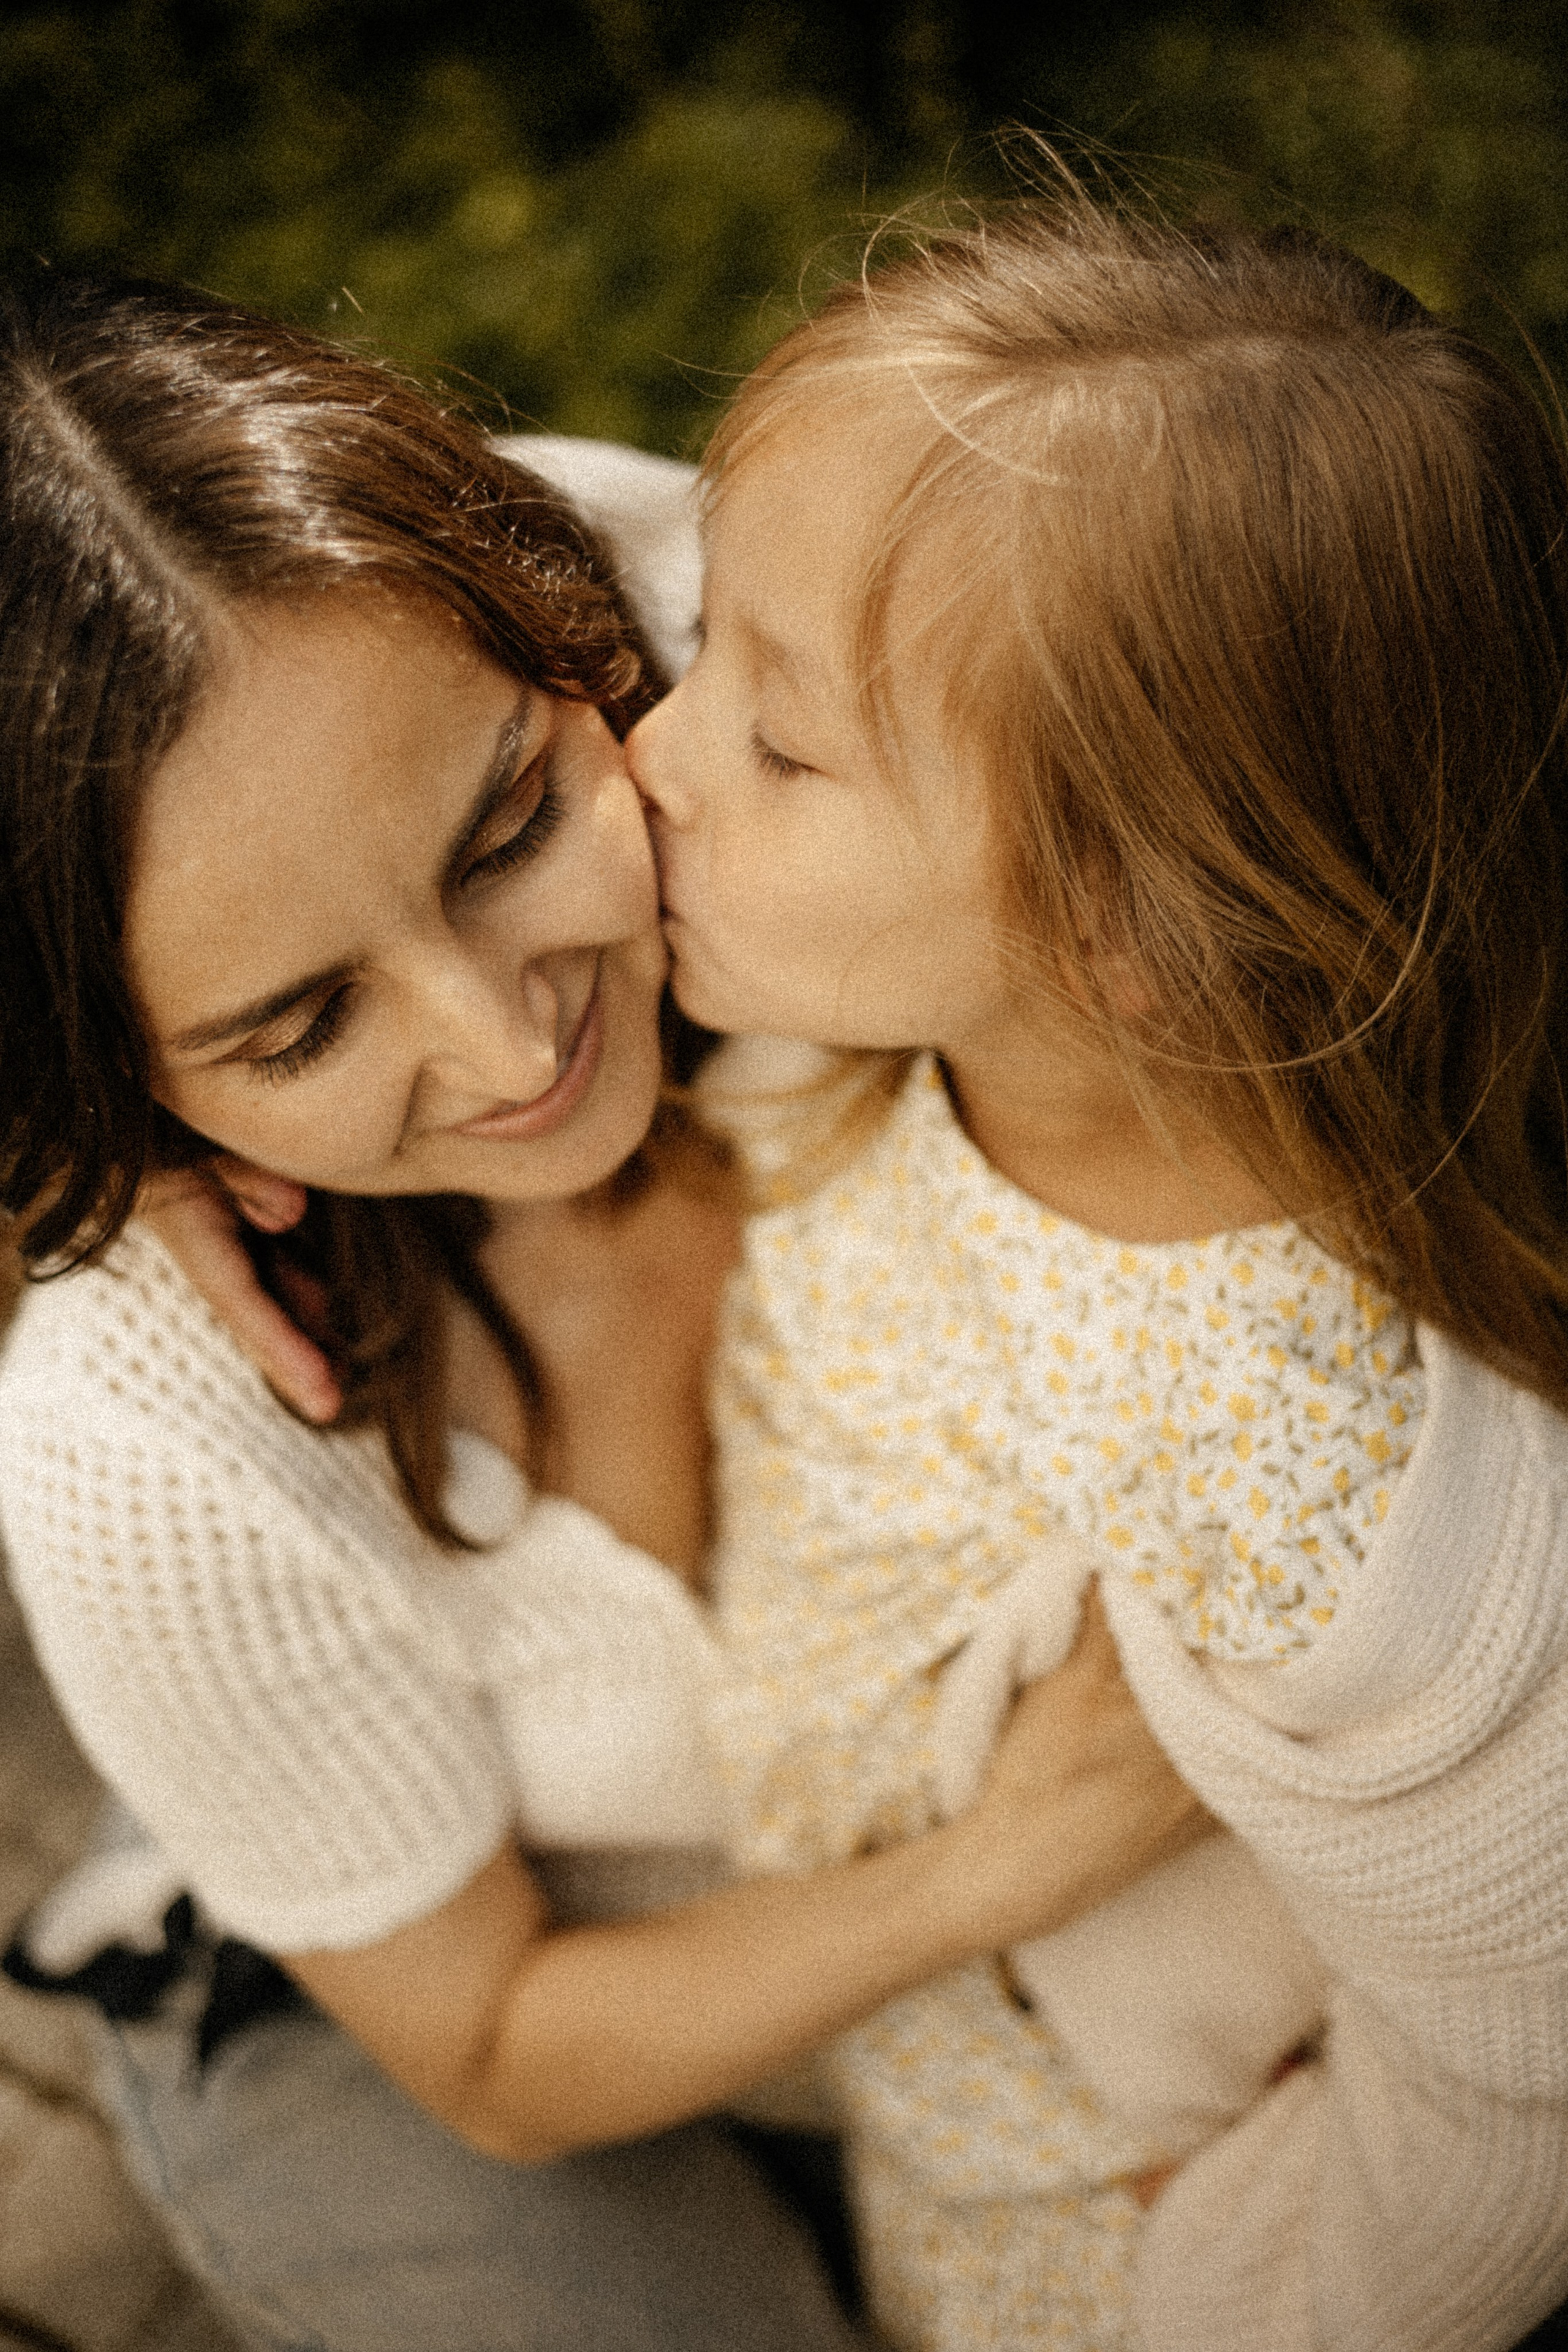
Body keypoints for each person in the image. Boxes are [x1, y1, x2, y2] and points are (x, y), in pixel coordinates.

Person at [0, 270, 1208, 2352]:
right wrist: (1014, 1868)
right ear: (125, 1080)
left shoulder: (713, 642)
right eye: (298, 1020)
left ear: (579, 649)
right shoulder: (136, 1439)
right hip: (387, 2006)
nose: (504, 1043)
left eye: (510, 828)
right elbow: (490, 2050)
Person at [615, 198, 1568, 2350]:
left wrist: (1237, 2277)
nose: (649, 758)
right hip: (880, 2037)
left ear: (1140, 923)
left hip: (1084, 2224)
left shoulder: (1331, 1483)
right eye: (702, 644)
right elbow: (502, 546)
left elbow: (1514, 2082)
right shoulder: (862, 993)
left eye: (777, 743)